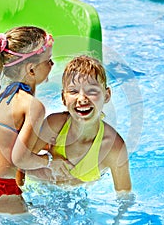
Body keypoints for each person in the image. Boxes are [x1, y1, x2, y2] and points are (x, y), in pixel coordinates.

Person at [0, 26, 70, 214]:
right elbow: (20, 158)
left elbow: (9, 147)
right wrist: (50, 161)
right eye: (48, 61)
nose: (52, 65)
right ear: (31, 70)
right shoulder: (32, 106)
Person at [26, 55, 132, 193]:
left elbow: (124, 198)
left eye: (92, 91)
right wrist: (50, 161)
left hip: (76, 201)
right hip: (38, 190)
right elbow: (21, 161)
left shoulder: (113, 148)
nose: (82, 99)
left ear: (106, 95)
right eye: (73, 91)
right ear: (63, 98)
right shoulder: (55, 125)